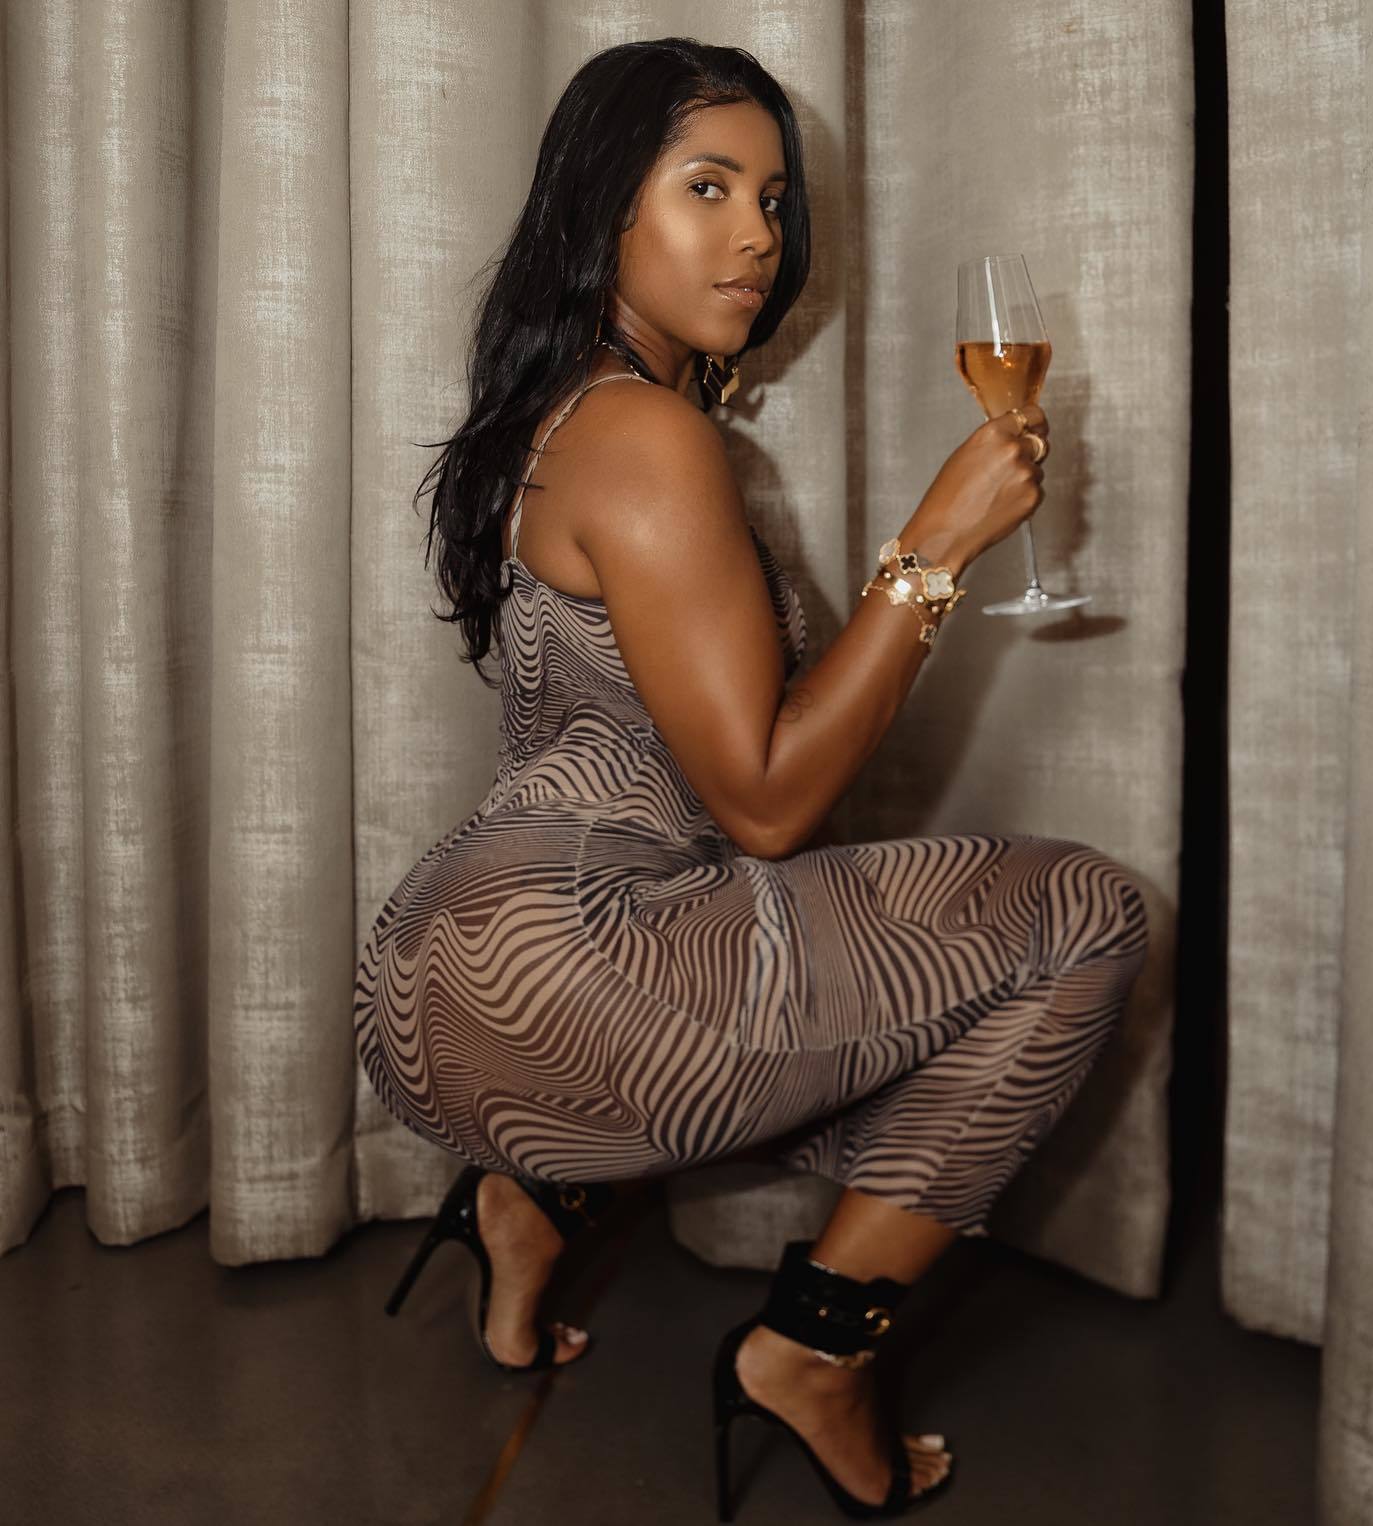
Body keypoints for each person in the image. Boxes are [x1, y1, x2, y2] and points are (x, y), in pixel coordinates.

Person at [353, 36, 1149, 1521]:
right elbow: (771, 805)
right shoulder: (649, 436)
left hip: (442, 974)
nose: (759, 236)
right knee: (1084, 917)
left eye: (774, 199)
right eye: (707, 188)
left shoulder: (556, 412)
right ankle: (815, 1350)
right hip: (581, 986)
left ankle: (524, 1204)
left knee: (844, 954)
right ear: (601, 209)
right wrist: (936, 546)